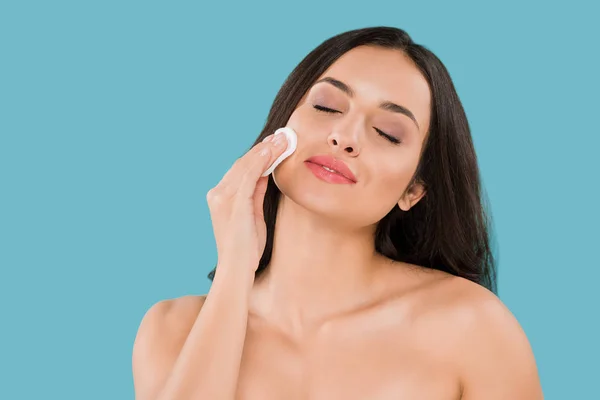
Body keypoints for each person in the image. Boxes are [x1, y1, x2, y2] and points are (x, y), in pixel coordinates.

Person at [132, 26, 544, 399]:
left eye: (387, 133)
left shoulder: (472, 327)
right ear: (282, 126)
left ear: (413, 190)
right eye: (328, 106)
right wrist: (234, 270)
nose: (344, 136)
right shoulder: (171, 330)